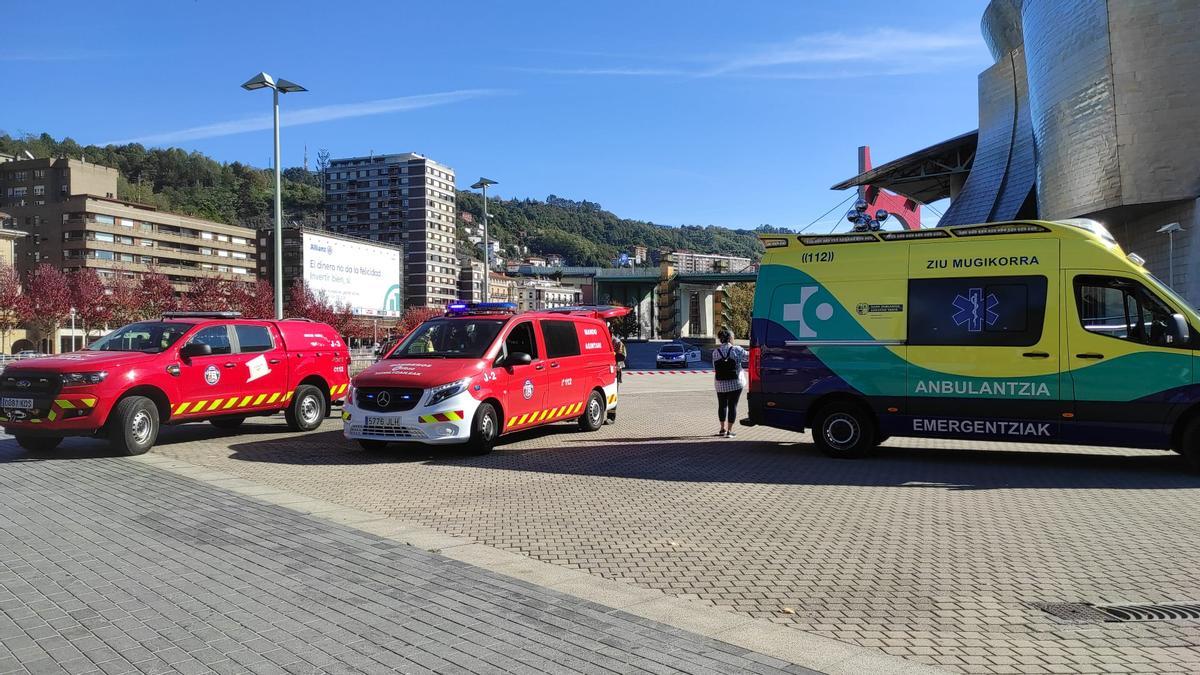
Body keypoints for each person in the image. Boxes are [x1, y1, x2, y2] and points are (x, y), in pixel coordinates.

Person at [712, 328, 746, 438]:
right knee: (733, 406)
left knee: (722, 405)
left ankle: (722, 429)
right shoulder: (737, 349)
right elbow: (749, 356)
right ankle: (729, 432)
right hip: (735, 383)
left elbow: (714, 367)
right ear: (730, 338)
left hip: (720, 384)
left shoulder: (715, 352)